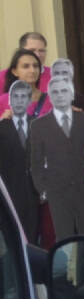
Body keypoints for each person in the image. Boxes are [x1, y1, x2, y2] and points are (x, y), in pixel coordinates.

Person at [28, 78, 84, 240]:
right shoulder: (39, 125)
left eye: (64, 91)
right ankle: (66, 266)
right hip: (57, 192)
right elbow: (36, 162)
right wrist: (44, 190)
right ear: (50, 97)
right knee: (64, 236)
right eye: (55, 92)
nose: (60, 95)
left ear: (72, 94)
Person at [0, 81, 40, 243]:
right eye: (15, 97)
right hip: (10, 194)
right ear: (9, 101)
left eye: (23, 97)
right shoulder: (2, 127)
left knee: (35, 238)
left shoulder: (39, 125)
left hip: (35, 195)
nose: (19, 100)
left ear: (30, 101)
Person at [1, 49, 52, 118]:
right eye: (26, 66)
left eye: (35, 66)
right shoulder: (3, 101)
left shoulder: (53, 99)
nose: (32, 70)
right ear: (14, 71)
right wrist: (2, 121)